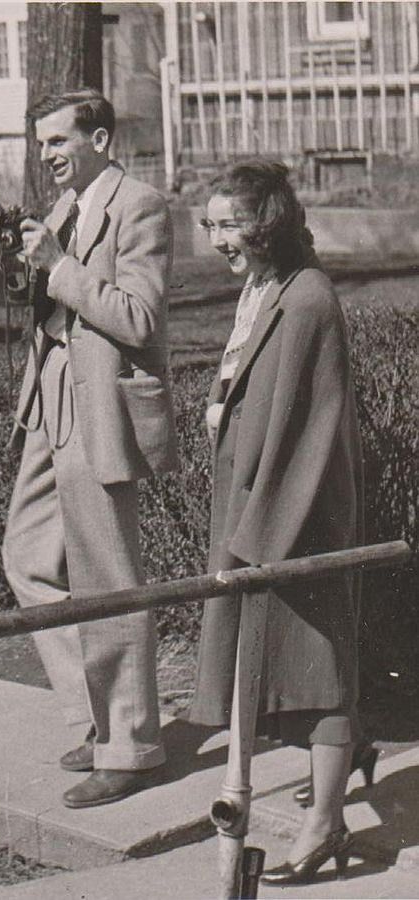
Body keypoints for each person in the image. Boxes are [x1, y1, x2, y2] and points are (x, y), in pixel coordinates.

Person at [0, 88, 179, 809]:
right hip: (49, 401)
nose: (47, 156)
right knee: (27, 558)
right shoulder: (66, 207)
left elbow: (140, 317)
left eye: (58, 141)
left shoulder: (140, 206)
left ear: (99, 139)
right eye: (40, 145)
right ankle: (97, 715)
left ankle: (131, 747)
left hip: (101, 406)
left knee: (109, 577)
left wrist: (60, 265)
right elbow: (24, 298)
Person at [189, 161, 367, 885]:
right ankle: (343, 771)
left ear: (267, 225)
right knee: (289, 663)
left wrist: (258, 536)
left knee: (317, 665)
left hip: (295, 512)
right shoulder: (264, 289)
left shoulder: (306, 300)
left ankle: (325, 825)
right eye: (210, 225)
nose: (217, 240)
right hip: (257, 502)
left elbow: (306, 427)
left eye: (229, 225)